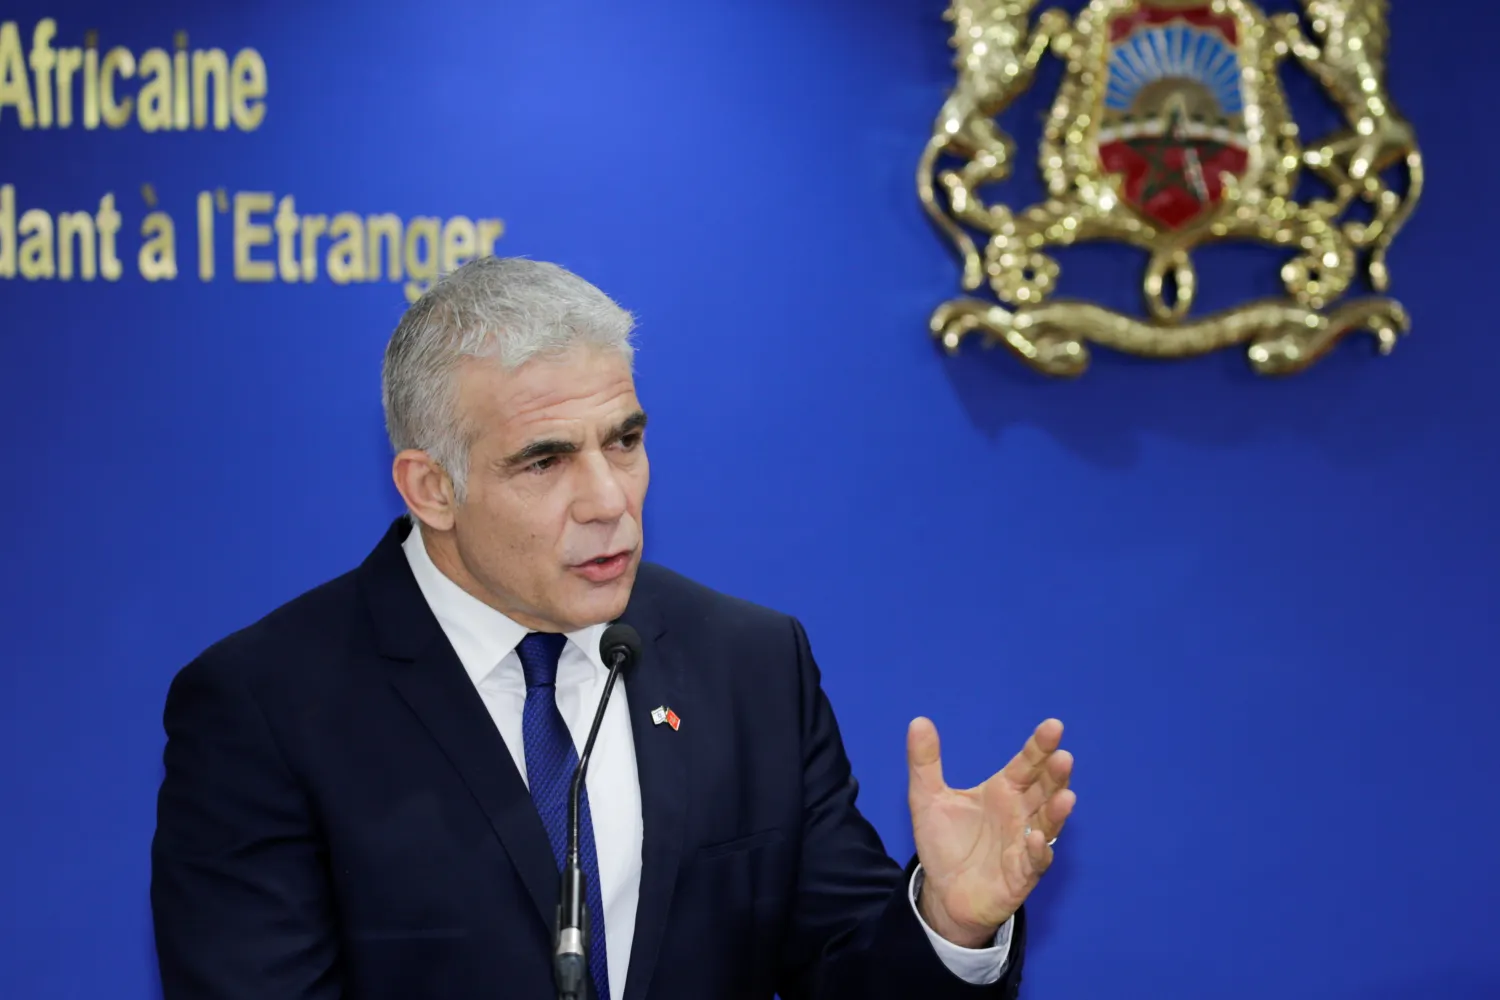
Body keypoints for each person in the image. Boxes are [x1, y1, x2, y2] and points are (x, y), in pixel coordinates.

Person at [149, 256, 1076, 1000]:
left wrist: (947, 924)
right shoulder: (266, 708)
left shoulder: (749, 665)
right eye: (544, 461)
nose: (608, 502)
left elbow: (844, 973)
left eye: (624, 441)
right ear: (432, 487)